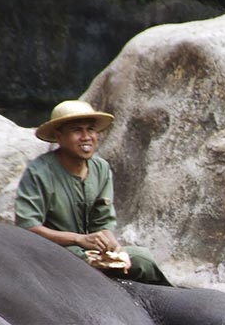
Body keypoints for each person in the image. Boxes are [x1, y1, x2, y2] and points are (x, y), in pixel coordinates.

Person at [14, 99, 171, 285]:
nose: (86, 136)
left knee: (141, 259)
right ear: (59, 136)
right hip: (54, 253)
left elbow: (102, 222)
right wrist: (79, 239)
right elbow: (27, 227)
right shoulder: (39, 172)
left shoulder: (100, 168)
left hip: (88, 251)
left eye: (90, 129)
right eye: (77, 130)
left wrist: (113, 248)